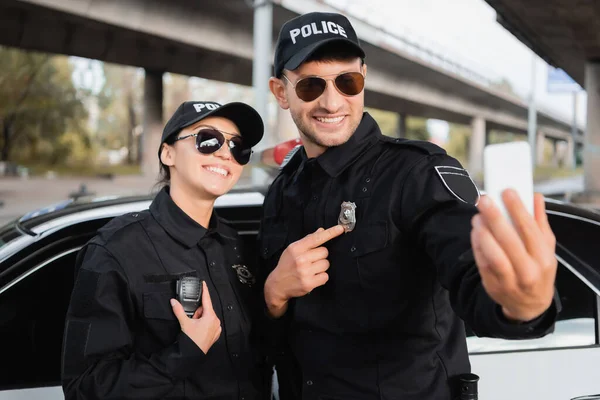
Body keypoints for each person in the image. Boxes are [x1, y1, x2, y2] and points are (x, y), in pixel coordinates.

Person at [258, 11, 560, 400]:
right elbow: (266, 341)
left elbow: (470, 270)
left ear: (364, 78)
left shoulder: (417, 173)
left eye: (348, 82)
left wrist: (523, 304)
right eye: (310, 86)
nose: (332, 102)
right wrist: (274, 295)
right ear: (281, 92)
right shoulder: (281, 190)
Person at [61, 100, 268, 400]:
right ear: (167, 153)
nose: (225, 153)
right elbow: (85, 388)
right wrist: (186, 352)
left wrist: (277, 300)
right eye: (207, 139)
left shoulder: (238, 248)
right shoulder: (115, 251)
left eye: (239, 147)